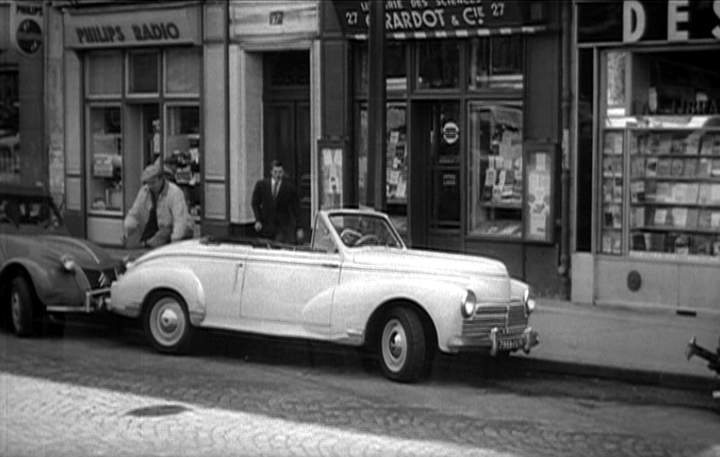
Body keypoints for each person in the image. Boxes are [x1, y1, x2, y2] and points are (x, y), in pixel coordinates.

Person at [123, 160, 193, 249]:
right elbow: (134, 213)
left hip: (174, 230)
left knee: (162, 234)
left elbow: (180, 221)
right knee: (147, 242)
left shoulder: (175, 192)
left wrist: (175, 243)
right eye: (148, 183)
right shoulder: (145, 191)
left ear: (161, 179)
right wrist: (127, 230)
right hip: (156, 227)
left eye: (153, 183)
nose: (151, 186)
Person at [251, 160, 304, 244]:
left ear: (283, 173)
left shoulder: (289, 188)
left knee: (278, 247)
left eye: (280, 172)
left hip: (283, 227)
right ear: (271, 172)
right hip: (266, 225)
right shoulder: (261, 185)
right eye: (275, 172)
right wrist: (258, 219)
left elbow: (296, 208)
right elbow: (255, 203)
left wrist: (299, 227)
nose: (278, 175)